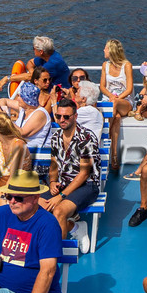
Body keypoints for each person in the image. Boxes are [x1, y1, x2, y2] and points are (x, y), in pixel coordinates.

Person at [0, 170, 64, 293]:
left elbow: (48, 271)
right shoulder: (3, 213)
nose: (12, 201)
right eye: (9, 196)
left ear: (35, 198)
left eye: (18, 198)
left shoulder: (48, 224)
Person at [45, 99, 101, 236]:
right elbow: (54, 164)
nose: (61, 120)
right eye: (58, 116)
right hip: (63, 183)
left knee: (59, 211)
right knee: (36, 206)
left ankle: (58, 249)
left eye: (66, 116)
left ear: (75, 116)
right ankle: (74, 227)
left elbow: (84, 174)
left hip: (87, 185)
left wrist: (61, 196)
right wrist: (52, 182)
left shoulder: (86, 138)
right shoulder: (56, 137)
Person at [100, 38, 134, 162]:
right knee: (117, 117)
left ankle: (105, 135)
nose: (103, 50)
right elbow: (102, 87)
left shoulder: (127, 65)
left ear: (111, 51)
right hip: (110, 100)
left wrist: (116, 98)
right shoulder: (105, 65)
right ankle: (114, 155)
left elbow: (129, 89)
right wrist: (111, 96)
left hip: (124, 101)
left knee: (114, 104)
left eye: (105, 48)